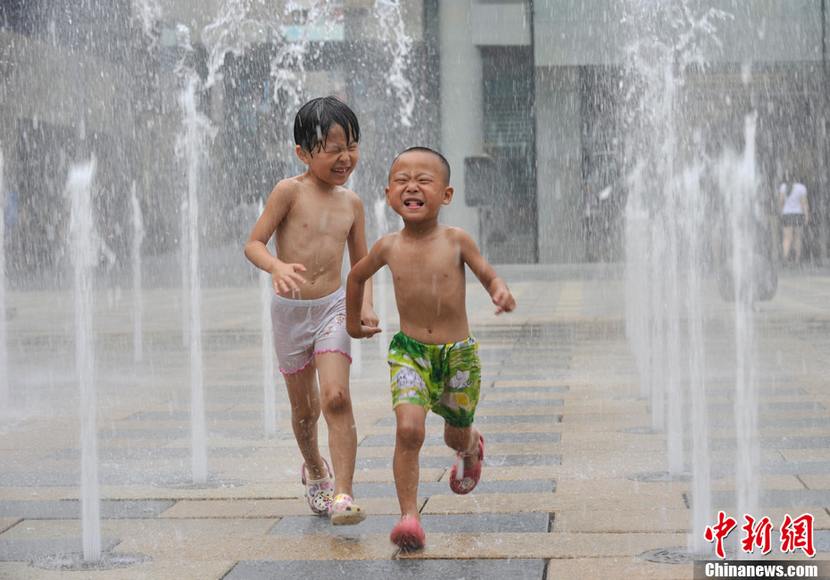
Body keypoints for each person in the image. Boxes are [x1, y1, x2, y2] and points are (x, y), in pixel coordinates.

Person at [345, 147, 517, 550]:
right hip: (410, 353)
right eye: (402, 180)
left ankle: (471, 447)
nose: (412, 187)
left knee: (454, 437)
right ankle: (409, 517)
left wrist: (499, 290)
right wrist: (353, 321)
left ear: (446, 195)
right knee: (408, 430)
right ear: (388, 194)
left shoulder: (457, 240)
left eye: (424, 180)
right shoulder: (387, 246)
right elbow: (355, 278)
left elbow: (487, 274)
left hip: (457, 355)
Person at [244, 96, 377, 525]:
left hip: (333, 308)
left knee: (337, 398)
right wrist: (276, 266)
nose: (345, 157)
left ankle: (343, 492)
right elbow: (253, 243)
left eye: (352, 145)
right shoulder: (289, 191)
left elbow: (361, 266)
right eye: (333, 148)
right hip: (290, 314)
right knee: (305, 412)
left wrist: (365, 309)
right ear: (303, 152)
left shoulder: (352, 203)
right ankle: (315, 468)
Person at [778, 180, 809, 265]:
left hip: (787, 214)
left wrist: (781, 213)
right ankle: (797, 259)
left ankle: (785, 258)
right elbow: (804, 203)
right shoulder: (801, 187)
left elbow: (781, 202)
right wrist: (806, 215)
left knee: (786, 238)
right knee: (798, 238)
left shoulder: (783, 187)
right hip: (798, 214)